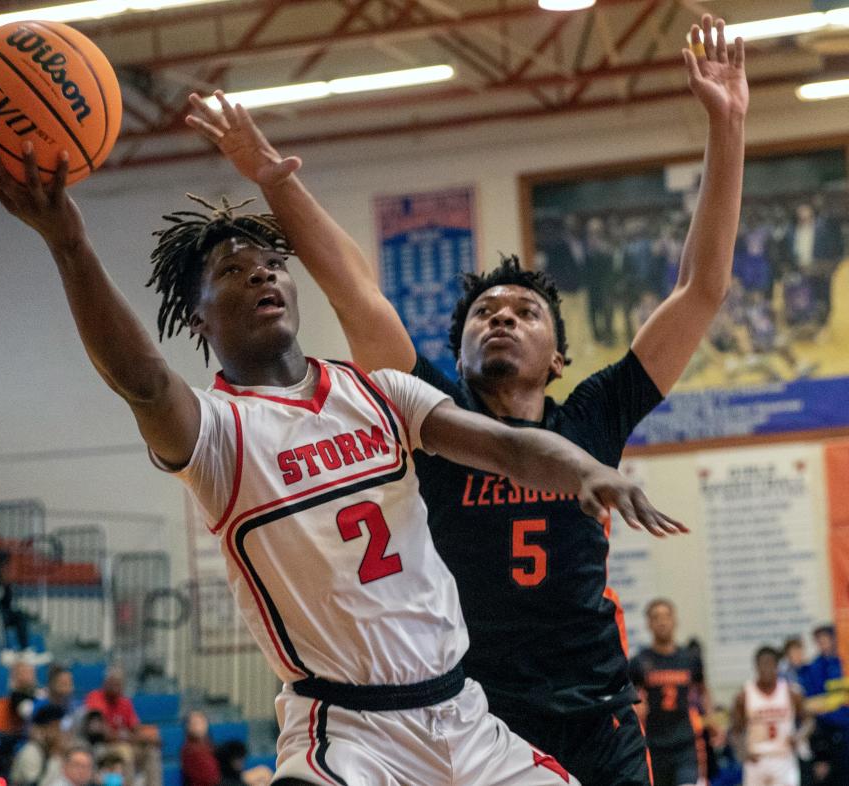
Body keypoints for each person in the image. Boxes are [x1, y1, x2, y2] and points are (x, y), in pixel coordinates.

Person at [0, 89, 684, 783]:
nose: (261, 276)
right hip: (348, 730)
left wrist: (585, 470)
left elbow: (511, 448)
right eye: (232, 271)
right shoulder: (218, 435)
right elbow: (144, 381)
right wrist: (69, 244)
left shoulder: (380, 392)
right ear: (197, 319)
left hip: (464, 713)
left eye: (272, 264)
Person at [189, 13, 746, 786]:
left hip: (596, 711)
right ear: (454, 353)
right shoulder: (428, 414)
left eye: (525, 311)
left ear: (558, 360)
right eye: (486, 312)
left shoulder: (593, 416)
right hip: (474, 712)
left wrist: (729, 125)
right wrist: (273, 180)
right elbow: (354, 292)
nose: (503, 318)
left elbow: (702, 288)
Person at [630, 599, 712, 786]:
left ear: (675, 620)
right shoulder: (639, 662)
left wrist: (711, 719)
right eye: (656, 617)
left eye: (666, 616)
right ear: (648, 624)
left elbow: (703, 690)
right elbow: (628, 696)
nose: (662, 621)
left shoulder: (689, 658)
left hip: (685, 743)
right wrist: (636, 708)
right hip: (654, 744)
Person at [731, 647, 808, 786]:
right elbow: (735, 730)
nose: (766, 668)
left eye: (770, 664)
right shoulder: (744, 695)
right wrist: (742, 751)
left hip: (783, 757)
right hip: (757, 758)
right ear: (756, 666)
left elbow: (809, 720)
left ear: (777, 666)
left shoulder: (791, 692)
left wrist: (799, 736)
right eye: (762, 664)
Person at [82, 666, 161, 786]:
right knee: (125, 751)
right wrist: (132, 737)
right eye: (112, 683)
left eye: (119, 684)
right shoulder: (95, 697)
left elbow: (136, 728)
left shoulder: (125, 702)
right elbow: (103, 733)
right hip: (101, 746)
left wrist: (148, 736)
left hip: (124, 742)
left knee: (152, 751)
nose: (116, 687)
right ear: (105, 683)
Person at [0, 550, 48, 666]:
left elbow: (7, 605)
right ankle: (3, 651)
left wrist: (7, 586)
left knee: (18, 615)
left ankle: (24, 651)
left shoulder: (3, 582)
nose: (6, 569)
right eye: (4, 565)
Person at [9, 703, 68, 786]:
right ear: (43, 729)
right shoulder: (31, 751)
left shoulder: (58, 751)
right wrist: (55, 757)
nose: (60, 733)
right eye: (55, 727)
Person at [33, 665, 79, 734]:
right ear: (52, 685)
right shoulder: (39, 707)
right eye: (64, 684)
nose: (69, 688)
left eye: (70, 683)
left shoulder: (76, 706)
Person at [180, 711, 220, 786]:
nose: (198, 726)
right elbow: (211, 778)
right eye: (195, 723)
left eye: (202, 722)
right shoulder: (190, 750)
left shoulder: (210, 745)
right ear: (188, 726)